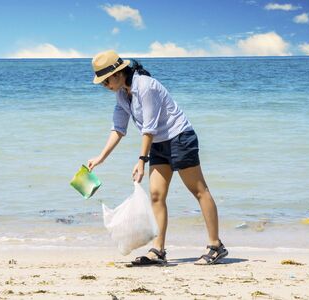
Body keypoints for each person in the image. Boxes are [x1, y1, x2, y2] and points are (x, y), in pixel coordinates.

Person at [87, 50, 228, 265]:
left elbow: (149, 128)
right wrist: (101, 157)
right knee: (156, 195)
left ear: (117, 74)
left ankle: (216, 245)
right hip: (159, 143)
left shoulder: (145, 86)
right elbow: (118, 128)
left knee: (199, 191)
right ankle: (158, 251)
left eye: (105, 81)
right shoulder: (122, 94)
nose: (105, 86)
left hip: (180, 137)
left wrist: (142, 161)